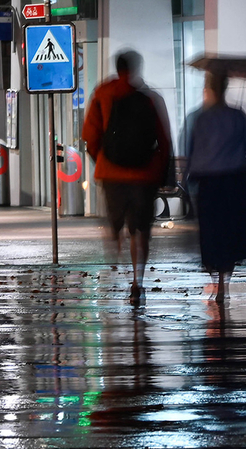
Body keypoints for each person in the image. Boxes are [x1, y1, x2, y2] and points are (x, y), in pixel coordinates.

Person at [82, 50, 171, 306]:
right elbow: (163, 138)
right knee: (140, 230)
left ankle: (115, 244)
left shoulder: (102, 94)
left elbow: (90, 136)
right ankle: (137, 280)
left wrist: (101, 159)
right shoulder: (151, 98)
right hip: (144, 176)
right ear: (137, 68)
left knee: (115, 223)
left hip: (112, 175)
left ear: (117, 67)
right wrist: (163, 172)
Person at [187, 69, 246, 302]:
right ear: (226, 88)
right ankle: (223, 284)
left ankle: (214, 274)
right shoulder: (237, 116)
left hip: (208, 182)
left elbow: (191, 150)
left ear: (208, 89)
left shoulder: (199, 118)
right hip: (234, 181)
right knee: (231, 232)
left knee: (212, 232)